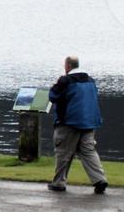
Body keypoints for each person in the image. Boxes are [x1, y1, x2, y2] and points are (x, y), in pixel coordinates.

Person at [47, 55, 109, 194]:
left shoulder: (65, 81)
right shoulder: (90, 80)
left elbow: (53, 96)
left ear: (68, 65)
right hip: (89, 122)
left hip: (69, 122)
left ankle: (58, 183)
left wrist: (54, 87)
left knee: (64, 152)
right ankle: (99, 179)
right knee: (88, 151)